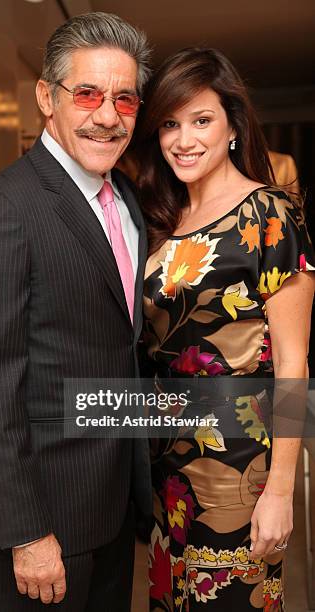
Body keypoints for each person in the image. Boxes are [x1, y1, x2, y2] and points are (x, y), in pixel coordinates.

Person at [0, 12, 152, 612]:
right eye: (87, 93)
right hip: (40, 522)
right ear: (46, 97)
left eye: (125, 99)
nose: (107, 116)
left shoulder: (128, 200)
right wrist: (29, 534)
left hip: (110, 509)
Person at [137, 47, 315, 610]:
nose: (182, 140)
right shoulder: (162, 220)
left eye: (201, 120)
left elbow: (293, 364)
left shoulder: (269, 215)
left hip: (238, 462)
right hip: (167, 460)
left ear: (233, 127)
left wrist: (281, 489)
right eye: (169, 123)